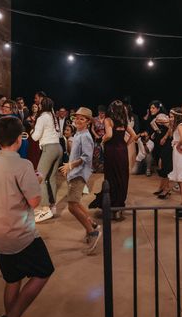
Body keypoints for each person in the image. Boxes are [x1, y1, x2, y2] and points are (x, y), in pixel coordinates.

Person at [0, 116, 53, 317]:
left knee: (13, 279)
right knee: (44, 271)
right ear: (19, 139)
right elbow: (34, 201)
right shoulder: (23, 165)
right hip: (20, 234)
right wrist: (36, 179)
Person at [59, 107, 101, 254]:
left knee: (71, 206)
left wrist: (71, 165)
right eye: (76, 118)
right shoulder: (78, 134)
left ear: (88, 122)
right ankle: (93, 224)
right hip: (73, 173)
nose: (77, 120)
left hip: (79, 175)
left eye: (82, 119)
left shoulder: (86, 136)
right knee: (76, 203)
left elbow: (86, 157)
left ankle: (92, 232)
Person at [89, 100, 137, 219]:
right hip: (122, 151)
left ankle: (111, 206)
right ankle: (119, 206)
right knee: (122, 177)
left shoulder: (108, 120)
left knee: (111, 177)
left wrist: (102, 140)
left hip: (112, 151)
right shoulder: (124, 122)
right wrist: (125, 144)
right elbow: (134, 135)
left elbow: (109, 135)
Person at [31, 97, 63, 223]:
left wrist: (32, 130)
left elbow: (35, 137)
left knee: (40, 177)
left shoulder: (42, 117)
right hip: (58, 147)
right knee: (52, 178)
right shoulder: (53, 116)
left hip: (49, 148)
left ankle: (45, 209)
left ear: (41, 106)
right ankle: (52, 206)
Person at [90, 105, 107, 173]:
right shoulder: (95, 119)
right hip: (97, 138)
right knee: (96, 153)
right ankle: (95, 169)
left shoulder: (107, 119)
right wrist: (96, 135)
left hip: (105, 138)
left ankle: (104, 169)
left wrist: (105, 136)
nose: (101, 114)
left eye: (103, 113)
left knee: (105, 153)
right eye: (100, 113)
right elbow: (92, 129)